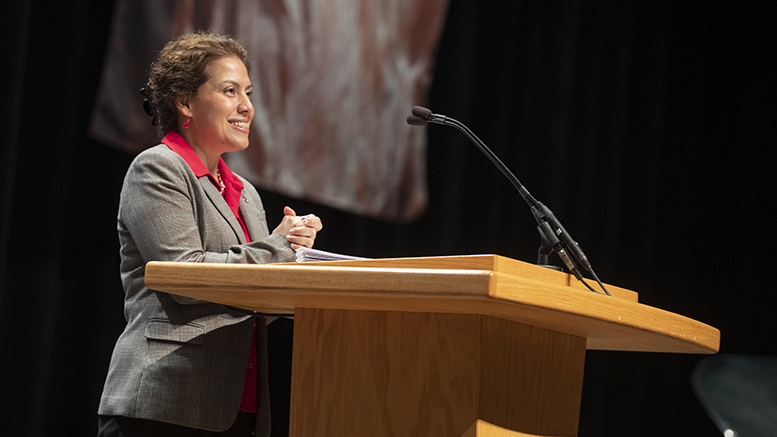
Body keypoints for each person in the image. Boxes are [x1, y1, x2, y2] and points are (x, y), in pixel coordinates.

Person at [97, 32, 322, 437]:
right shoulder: (158, 169)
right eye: (230, 91)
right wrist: (278, 246)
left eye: (249, 92)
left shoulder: (246, 194)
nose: (246, 107)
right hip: (166, 401)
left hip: (239, 408)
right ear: (184, 102)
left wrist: (299, 261)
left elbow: (254, 302)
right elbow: (184, 275)